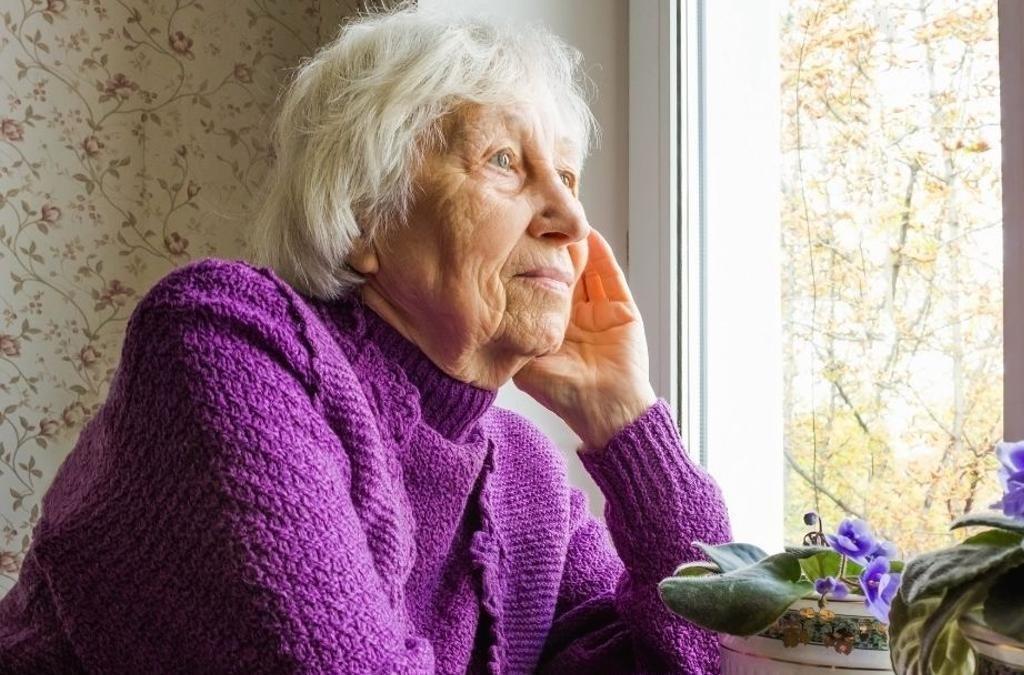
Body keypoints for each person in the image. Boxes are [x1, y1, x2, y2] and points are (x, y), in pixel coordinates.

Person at [0, 6, 731, 674]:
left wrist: (629, 423)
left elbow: (694, 657)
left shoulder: (525, 476)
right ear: (363, 215)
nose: (573, 218)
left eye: (568, 175)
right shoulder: (225, 344)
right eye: (504, 160)